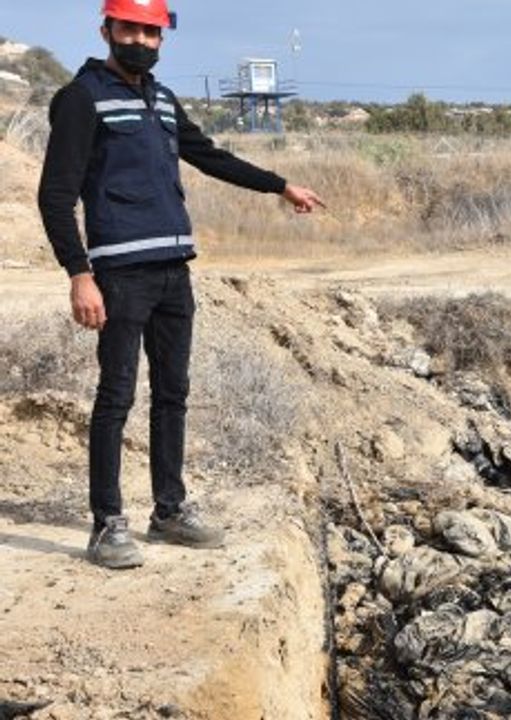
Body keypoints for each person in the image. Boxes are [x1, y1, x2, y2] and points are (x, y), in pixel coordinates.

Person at [36, 0, 326, 569]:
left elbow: (209, 156)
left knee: (173, 393)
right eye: (130, 29)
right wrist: (79, 274)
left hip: (174, 269)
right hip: (120, 274)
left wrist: (280, 185)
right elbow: (55, 196)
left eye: (151, 32)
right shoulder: (81, 98)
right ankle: (106, 524)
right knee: (116, 396)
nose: (140, 41)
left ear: (162, 39)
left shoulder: (162, 99)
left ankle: (168, 510)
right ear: (106, 30)